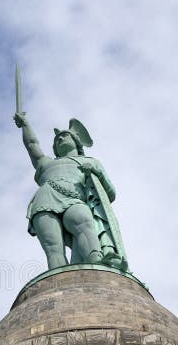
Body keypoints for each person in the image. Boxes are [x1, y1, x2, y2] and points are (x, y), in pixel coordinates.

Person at [14, 113, 124, 270]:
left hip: (75, 199)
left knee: (84, 221)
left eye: (64, 136)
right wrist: (25, 124)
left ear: (76, 142)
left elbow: (111, 193)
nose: (59, 139)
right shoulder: (45, 163)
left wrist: (96, 173)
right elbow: (32, 144)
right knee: (53, 247)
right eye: (56, 139)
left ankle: (97, 263)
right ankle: (60, 280)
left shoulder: (91, 162)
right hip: (45, 200)